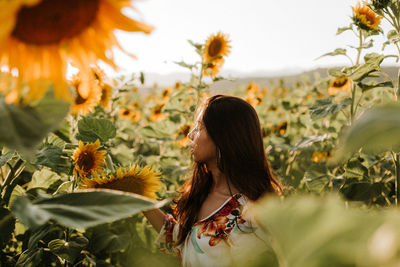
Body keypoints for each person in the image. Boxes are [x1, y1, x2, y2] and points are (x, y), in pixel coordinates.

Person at [143, 94, 282, 266]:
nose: (190, 134)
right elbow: (182, 239)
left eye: (200, 128)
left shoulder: (248, 217)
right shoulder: (204, 190)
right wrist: (138, 198)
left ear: (223, 138)